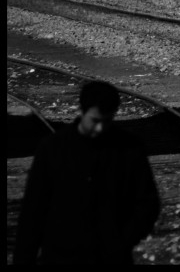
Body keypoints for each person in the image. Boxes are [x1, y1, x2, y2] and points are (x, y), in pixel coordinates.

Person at [13, 80, 161, 265]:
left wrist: (121, 241)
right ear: (82, 111)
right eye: (95, 121)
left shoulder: (128, 150)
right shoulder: (53, 149)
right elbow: (33, 212)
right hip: (60, 257)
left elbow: (148, 203)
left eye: (107, 121)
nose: (100, 128)